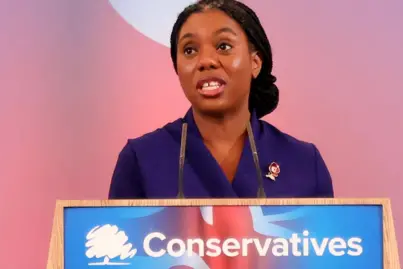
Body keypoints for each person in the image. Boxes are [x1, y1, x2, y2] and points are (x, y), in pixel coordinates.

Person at [108, 0, 334, 199]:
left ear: (255, 63)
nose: (205, 61)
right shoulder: (141, 158)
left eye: (223, 46)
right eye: (189, 50)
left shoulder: (304, 161)